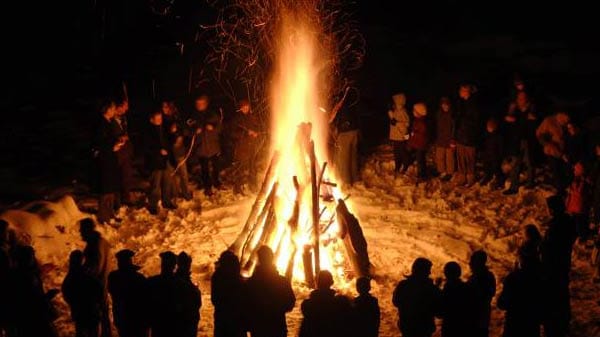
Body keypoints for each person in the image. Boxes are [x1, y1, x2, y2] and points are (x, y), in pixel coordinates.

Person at [540, 195, 577, 337]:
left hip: (554, 266)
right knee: (561, 291)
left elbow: (550, 247)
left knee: (555, 295)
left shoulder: (556, 225)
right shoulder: (567, 221)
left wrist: (543, 246)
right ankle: (563, 321)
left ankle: (555, 325)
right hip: (562, 263)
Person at [246, 246, 295, 337]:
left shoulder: (251, 283)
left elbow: (246, 305)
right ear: (272, 258)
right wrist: (277, 308)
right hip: (277, 327)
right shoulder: (281, 281)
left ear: (259, 259)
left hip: (259, 328)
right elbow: (290, 302)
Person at [9, 245, 58, 337]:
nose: (33, 258)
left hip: (25, 320)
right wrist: (48, 296)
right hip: (34, 318)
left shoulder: (16, 274)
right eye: (31, 256)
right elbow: (32, 300)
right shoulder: (27, 278)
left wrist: (41, 271)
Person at [497, 251, 544, 337]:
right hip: (531, 327)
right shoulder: (540, 280)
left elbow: (501, 303)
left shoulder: (513, 277)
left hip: (513, 325)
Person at [392, 257, 441, 337]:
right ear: (422, 271)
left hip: (407, 329)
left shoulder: (404, 285)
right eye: (428, 270)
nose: (429, 273)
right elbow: (438, 309)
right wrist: (437, 288)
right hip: (424, 330)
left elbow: (396, 301)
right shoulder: (430, 288)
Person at [80, 218, 112, 337]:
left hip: (96, 286)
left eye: (82, 230)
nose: (80, 233)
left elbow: (96, 267)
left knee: (97, 317)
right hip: (100, 284)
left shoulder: (95, 244)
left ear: (87, 230)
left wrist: (82, 273)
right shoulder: (100, 242)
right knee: (103, 314)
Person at [94, 100, 124, 225]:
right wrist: (112, 146)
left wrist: (117, 141)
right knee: (106, 189)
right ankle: (104, 217)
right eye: (112, 109)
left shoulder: (108, 122)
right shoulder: (100, 124)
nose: (114, 111)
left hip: (110, 158)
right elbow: (99, 142)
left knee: (111, 188)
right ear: (106, 110)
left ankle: (110, 213)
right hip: (105, 160)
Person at [107, 249, 148, 337]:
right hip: (137, 318)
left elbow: (111, 291)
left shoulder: (113, 277)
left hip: (121, 317)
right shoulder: (139, 278)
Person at [62, 250, 103, 337]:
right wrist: (97, 304)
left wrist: (73, 304)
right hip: (91, 310)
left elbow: (66, 293)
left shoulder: (70, 276)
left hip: (79, 312)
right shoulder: (87, 274)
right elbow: (99, 289)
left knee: (81, 333)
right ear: (82, 259)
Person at [188, 94, 223, 196]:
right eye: (198, 104)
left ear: (206, 104)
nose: (199, 105)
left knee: (216, 167)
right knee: (205, 169)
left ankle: (216, 182)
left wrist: (213, 127)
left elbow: (220, 128)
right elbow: (187, 131)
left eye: (202, 103)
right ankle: (207, 187)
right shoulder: (193, 116)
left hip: (213, 147)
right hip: (201, 148)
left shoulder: (212, 115)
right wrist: (195, 130)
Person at [503, 91, 537, 195]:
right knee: (515, 163)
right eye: (520, 98)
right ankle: (514, 187)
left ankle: (530, 183)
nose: (521, 100)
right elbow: (507, 120)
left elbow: (532, 121)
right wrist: (508, 117)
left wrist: (530, 118)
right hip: (515, 140)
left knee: (529, 162)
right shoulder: (514, 108)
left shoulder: (531, 108)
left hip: (527, 139)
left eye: (524, 97)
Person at [144, 109, 176, 214]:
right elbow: (147, 147)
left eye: (160, 118)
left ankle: (167, 201)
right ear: (151, 120)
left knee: (167, 182)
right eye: (157, 119)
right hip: (155, 162)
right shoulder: (148, 131)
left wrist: (173, 133)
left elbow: (170, 141)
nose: (159, 120)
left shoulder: (164, 128)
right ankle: (153, 205)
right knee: (155, 185)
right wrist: (158, 151)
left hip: (165, 160)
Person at [230, 99, 263, 194]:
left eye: (247, 106)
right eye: (243, 107)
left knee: (253, 167)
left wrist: (257, 133)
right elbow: (232, 133)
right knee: (240, 168)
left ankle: (253, 185)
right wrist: (245, 133)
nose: (245, 108)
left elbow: (258, 128)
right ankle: (238, 188)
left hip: (252, 146)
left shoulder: (252, 117)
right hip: (241, 147)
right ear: (240, 108)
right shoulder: (236, 119)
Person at [211, 251, 246, 337]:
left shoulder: (217, 277)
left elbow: (215, 300)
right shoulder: (238, 280)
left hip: (222, 321)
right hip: (236, 322)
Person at [330, 89, 360, 187]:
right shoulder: (352, 100)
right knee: (352, 156)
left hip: (345, 133)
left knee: (344, 158)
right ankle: (355, 178)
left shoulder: (340, 104)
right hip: (354, 131)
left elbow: (331, 118)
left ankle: (346, 182)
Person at [163, 100, 193, 201]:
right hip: (169, 152)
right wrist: (171, 133)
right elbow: (163, 137)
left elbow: (185, 130)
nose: (166, 109)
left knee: (183, 173)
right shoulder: (162, 121)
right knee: (171, 174)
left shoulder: (177, 118)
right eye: (164, 107)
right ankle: (174, 194)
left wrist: (179, 133)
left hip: (179, 150)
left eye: (167, 107)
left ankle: (185, 193)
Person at [453, 84, 480, 187]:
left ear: (467, 91)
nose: (460, 92)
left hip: (469, 136)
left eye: (462, 90)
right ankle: (462, 176)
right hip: (461, 135)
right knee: (461, 157)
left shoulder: (473, 103)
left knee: (469, 158)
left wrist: (463, 120)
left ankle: (470, 177)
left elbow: (474, 119)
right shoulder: (460, 103)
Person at [300, 270, 342, 337]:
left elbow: (304, 330)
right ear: (331, 282)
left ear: (317, 283)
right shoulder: (339, 303)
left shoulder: (307, 305)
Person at [536, 112, 570, 194]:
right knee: (556, 171)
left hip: (562, 151)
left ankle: (563, 189)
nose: (566, 122)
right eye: (565, 120)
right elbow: (539, 134)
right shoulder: (548, 121)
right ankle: (560, 192)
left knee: (563, 171)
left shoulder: (564, 124)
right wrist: (548, 143)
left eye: (567, 121)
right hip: (552, 151)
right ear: (560, 115)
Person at [147, 251, 179, 337]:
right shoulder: (180, 283)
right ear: (174, 265)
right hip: (174, 324)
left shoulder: (152, 281)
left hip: (158, 323)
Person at [466, 250, 496, 337]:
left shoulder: (479, 277)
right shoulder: (488, 276)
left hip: (477, 317)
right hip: (481, 317)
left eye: (472, 261)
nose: (470, 263)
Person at [112, 98, 135, 206]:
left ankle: (126, 198)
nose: (125, 110)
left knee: (126, 176)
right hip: (118, 154)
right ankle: (117, 201)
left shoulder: (122, 120)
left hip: (125, 153)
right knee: (118, 178)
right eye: (123, 107)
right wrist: (119, 138)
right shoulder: (111, 122)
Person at [439, 262, 471, 337]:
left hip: (449, 325)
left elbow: (442, 306)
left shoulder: (448, 287)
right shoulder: (465, 287)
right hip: (462, 325)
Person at [175, 252, 202, 337]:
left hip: (187, 321)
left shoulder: (182, 280)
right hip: (184, 322)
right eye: (187, 264)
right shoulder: (180, 281)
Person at [565, 162, 592, 241]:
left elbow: (579, 193)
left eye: (575, 170)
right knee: (580, 222)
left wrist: (570, 190)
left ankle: (583, 237)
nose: (574, 171)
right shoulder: (579, 180)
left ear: (579, 171)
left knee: (580, 223)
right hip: (577, 206)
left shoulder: (582, 181)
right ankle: (581, 235)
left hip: (578, 207)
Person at [388, 93, 411, 176]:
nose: (393, 103)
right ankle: (397, 166)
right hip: (395, 136)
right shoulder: (396, 110)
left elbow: (407, 124)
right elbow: (393, 120)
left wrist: (396, 123)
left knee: (403, 152)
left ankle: (406, 165)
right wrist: (391, 115)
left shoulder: (403, 111)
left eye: (395, 101)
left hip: (401, 136)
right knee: (396, 152)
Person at [434, 97, 455, 181]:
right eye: (443, 104)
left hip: (449, 139)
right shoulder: (439, 114)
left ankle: (450, 172)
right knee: (440, 156)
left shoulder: (452, 115)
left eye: (446, 104)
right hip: (441, 138)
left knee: (449, 158)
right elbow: (437, 126)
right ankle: (441, 170)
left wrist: (453, 139)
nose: (445, 106)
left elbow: (454, 127)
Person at [408, 102, 429, 181]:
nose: (413, 112)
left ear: (419, 112)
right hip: (418, 144)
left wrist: (413, 134)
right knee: (420, 160)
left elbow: (421, 134)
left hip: (420, 145)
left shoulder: (422, 122)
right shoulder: (417, 120)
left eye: (415, 111)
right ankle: (422, 174)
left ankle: (422, 175)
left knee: (420, 161)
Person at [480, 118, 504, 188]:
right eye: (488, 126)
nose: (488, 128)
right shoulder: (486, 135)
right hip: (487, 155)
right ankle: (487, 177)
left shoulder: (498, 136)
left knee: (496, 169)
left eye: (490, 127)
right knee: (487, 167)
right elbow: (484, 144)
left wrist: (500, 156)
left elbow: (501, 147)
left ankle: (500, 180)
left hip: (495, 156)